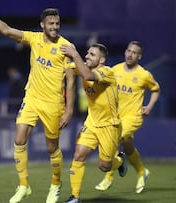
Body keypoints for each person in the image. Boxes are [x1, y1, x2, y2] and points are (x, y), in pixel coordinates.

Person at [0, 1, 75, 203]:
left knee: (51, 148)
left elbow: (72, 80)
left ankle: (56, 184)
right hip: (32, 98)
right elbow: (6, 30)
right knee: (19, 139)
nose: (55, 27)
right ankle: (24, 185)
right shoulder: (34, 39)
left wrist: (68, 110)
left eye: (57, 23)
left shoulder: (66, 47)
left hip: (53, 104)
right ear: (42, 25)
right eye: (51, 24)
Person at [60, 43, 127, 203]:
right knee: (78, 154)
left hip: (109, 126)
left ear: (102, 60)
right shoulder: (83, 67)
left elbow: (88, 76)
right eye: (87, 53)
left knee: (104, 166)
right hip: (91, 122)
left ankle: (120, 160)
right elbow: (66, 69)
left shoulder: (107, 72)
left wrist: (74, 55)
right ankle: (75, 197)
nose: (87, 56)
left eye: (92, 54)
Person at [95, 41, 160, 194]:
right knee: (127, 145)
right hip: (116, 116)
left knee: (113, 139)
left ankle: (109, 176)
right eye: (129, 51)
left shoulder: (144, 75)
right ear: (125, 52)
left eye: (134, 52)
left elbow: (156, 89)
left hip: (133, 117)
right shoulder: (115, 69)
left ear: (139, 56)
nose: (130, 54)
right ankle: (141, 171)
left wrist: (149, 106)